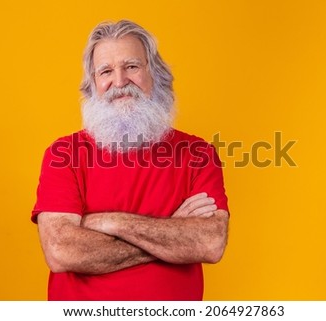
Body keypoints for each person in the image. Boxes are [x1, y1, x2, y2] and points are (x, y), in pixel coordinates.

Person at [32, 20, 229, 301]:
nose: (120, 81)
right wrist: (171, 232)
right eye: (106, 71)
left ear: (155, 74)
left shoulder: (197, 153)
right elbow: (62, 251)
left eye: (132, 66)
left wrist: (107, 222)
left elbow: (209, 243)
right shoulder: (64, 154)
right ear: (93, 85)